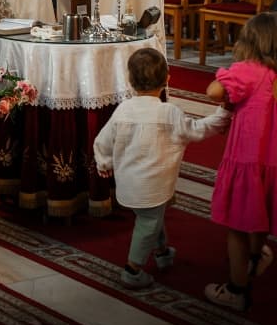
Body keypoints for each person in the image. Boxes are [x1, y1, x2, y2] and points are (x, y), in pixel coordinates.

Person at [94, 48, 228, 289]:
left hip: (128, 184)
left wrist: (104, 163)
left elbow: (103, 141)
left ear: (130, 80)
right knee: (148, 222)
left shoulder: (123, 109)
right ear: (168, 78)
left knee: (151, 217)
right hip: (153, 185)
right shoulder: (169, 112)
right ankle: (132, 270)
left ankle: (163, 252)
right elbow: (196, 130)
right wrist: (223, 115)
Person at [204, 12, 277, 312]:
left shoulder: (248, 70)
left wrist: (226, 88)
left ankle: (236, 290)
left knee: (237, 224)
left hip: (251, 159)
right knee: (259, 214)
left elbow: (214, 92)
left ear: (249, 42)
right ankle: (254, 256)